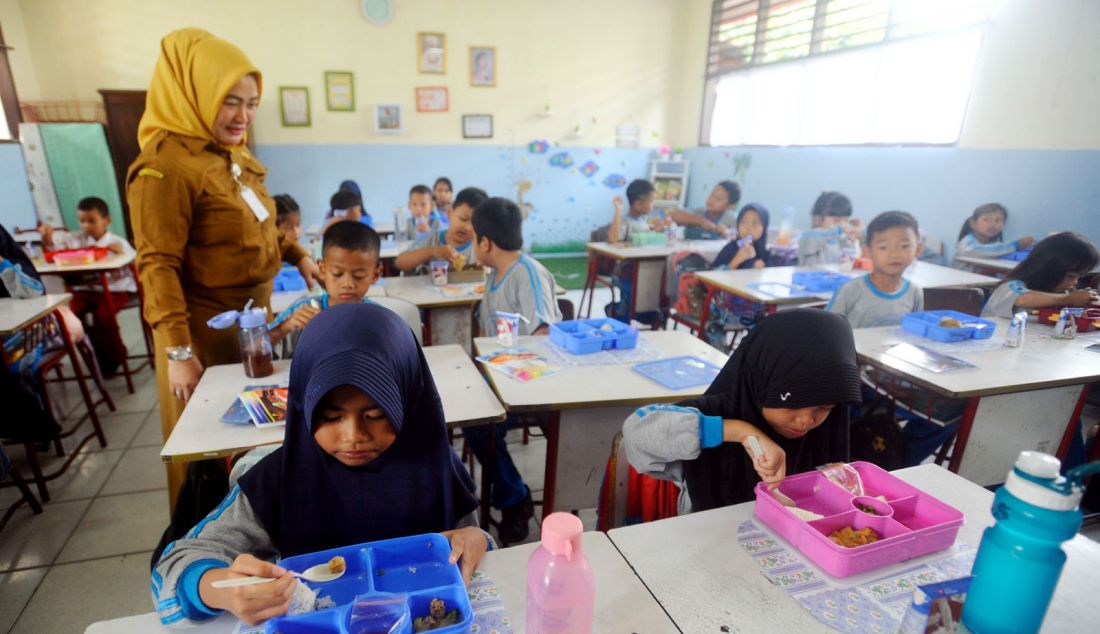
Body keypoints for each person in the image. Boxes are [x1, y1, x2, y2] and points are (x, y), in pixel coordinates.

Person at [151, 304, 489, 626]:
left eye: (376, 415)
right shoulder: (277, 482)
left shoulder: (434, 467)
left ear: (409, 403)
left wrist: (478, 537)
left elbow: (471, 546)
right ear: (303, 407)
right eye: (330, 416)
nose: (353, 436)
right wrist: (215, 587)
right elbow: (173, 566)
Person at [126, 28, 320, 505]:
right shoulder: (164, 168)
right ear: (194, 94)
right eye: (229, 101)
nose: (243, 115)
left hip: (253, 329)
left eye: (252, 103)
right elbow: (157, 264)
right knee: (211, 453)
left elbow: (250, 228)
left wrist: (298, 254)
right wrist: (177, 352)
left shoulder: (230, 157)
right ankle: (208, 556)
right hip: (202, 338)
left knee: (256, 444)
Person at [623, 309, 863, 514]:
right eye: (792, 404)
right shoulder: (715, 412)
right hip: (708, 546)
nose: (805, 420)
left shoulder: (829, 429)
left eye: (825, 407)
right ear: (761, 382)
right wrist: (741, 432)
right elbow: (635, 435)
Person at [465, 197, 561, 544]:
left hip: (534, 384)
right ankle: (513, 495)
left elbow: (544, 332)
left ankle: (514, 501)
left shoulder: (527, 272)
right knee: (476, 421)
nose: (472, 244)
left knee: (482, 425)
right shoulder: (494, 275)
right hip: (504, 378)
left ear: (486, 243)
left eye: (474, 238)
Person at [37, 197, 136, 374]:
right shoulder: (76, 239)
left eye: (92, 221)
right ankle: (96, 358)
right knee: (73, 318)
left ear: (107, 220)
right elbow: (56, 246)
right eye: (82, 221)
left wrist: (120, 254)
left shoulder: (117, 242)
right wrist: (48, 237)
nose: (86, 226)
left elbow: (134, 258)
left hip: (115, 290)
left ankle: (115, 356)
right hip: (85, 291)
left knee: (103, 318)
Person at [268, 221, 381, 345]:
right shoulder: (303, 310)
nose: (347, 284)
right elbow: (256, 347)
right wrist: (284, 328)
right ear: (322, 269)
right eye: (337, 274)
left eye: (358, 276)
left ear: (375, 275)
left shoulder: (377, 316)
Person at [828, 211, 924, 328]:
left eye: (904, 246)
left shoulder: (914, 293)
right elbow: (828, 329)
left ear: (918, 249)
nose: (894, 254)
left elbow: (914, 333)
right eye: (883, 247)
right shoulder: (850, 291)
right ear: (868, 251)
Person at [982, 232, 1099, 319]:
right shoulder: (1012, 286)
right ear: (1048, 269)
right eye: (1071, 276)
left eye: (1079, 277)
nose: (1075, 282)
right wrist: (1069, 299)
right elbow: (1023, 298)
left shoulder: (1059, 293)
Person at [395, 186, 487, 276]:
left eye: (475, 223)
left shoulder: (480, 246)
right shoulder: (433, 239)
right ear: (449, 213)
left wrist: (486, 267)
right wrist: (434, 251)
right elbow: (400, 262)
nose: (468, 227)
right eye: (463, 219)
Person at [953, 203, 1034, 272]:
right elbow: (972, 250)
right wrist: (1015, 245)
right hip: (963, 287)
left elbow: (994, 249)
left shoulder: (995, 245)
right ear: (973, 223)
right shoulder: (967, 242)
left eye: (998, 220)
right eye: (986, 220)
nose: (993, 224)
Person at [798, 191, 861, 265]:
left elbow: (849, 259)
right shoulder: (808, 236)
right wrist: (838, 229)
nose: (843, 224)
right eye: (836, 221)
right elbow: (819, 237)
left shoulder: (840, 240)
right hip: (810, 275)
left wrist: (852, 239)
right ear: (817, 219)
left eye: (846, 220)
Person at [666, 181, 741, 240]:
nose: (712, 200)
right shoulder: (699, 212)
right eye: (712, 195)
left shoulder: (732, 219)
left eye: (718, 199)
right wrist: (701, 222)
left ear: (729, 206)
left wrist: (726, 232)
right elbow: (673, 214)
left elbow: (744, 237)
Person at [712, 203, 770, 270]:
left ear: (764, 228)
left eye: (755, 223)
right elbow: (711, 273)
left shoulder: (765, 252)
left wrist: (760, 271)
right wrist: (736, 261)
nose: (748, 228)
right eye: (743, 222)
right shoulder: (731, 248)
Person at [609, 179, 657, 243]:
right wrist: (618, 210)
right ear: (638, 204)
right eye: (651, 201)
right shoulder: (625, 222)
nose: (653, 204)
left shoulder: (642, 222)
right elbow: (613, 240)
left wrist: (657, 231)